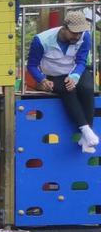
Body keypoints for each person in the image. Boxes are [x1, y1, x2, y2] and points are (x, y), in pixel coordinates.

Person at [27, 10, 96, 154]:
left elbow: (81, 60)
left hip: (76, 70)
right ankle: (85, 130)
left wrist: (75, 76)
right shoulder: (41, 40)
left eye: (80, 33)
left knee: (87, 88)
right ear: (64, 28)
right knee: (67, 89)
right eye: (73, 33)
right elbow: (32, 65)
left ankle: (86, 134)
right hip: (54, 75)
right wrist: (41, 79)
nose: (77, 36)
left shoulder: (85, 37)